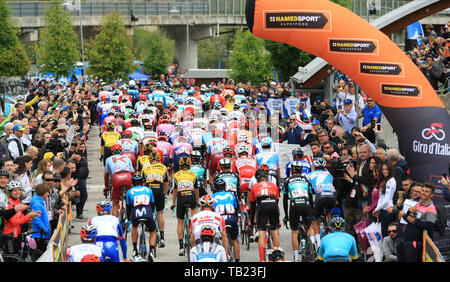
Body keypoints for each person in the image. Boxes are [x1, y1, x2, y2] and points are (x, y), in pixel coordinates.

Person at [282, 161, 314, 262]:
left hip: (294, 206)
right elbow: (310, 197)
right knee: (310, 227)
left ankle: (296, 258)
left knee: (294, 232)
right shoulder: (306, 179)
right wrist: (312, 211)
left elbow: (284, 200)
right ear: (301, 170)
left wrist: (286, 216)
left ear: (291, 170)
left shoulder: (288, 180)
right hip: (306, 205)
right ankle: (313, 245)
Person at [397, 183, 437, 262]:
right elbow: (409, 219)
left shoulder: (431, 208)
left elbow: (429, 227)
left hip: (416, 243)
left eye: (426, 191)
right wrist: (408, 212)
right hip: (406, 240)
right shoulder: (418, 204)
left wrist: (414, 221)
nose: (423, 193)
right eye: (422, 190)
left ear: (431, 195)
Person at [250, 167, 280, 262]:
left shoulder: (255, 187)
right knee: (274, 231)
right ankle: (277, 257)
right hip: (273, 206)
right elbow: (277, 202)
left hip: (261, 207)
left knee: (262, 232)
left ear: (257, 179)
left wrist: (251, 222)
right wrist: (277, 220)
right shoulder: (273, 185)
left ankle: (262, 260)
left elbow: (253, 207)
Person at [172, 156, 200, 256]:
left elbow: (175, 190)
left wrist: (173, 203)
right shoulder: (193, 174)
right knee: (194, 220)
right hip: (191, 197)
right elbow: (196, 190)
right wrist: (197, 201)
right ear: (189, 165)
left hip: (181, 197)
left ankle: (180, 247)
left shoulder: (176, 175)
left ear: (180, 165)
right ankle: (195, 243)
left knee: (180, 222)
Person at [140, 151, 168, 248]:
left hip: (149, 189)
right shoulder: (163, 168)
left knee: (149, 211)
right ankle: (162, 237)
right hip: (159, 189)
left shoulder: (145, 168)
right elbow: (166, 183)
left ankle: (150, 227)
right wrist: (164, 193)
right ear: (159, 159)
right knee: (160, 212)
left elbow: (143, 184)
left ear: (150, 160)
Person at [126, 175, 157, 262]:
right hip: (147, 211)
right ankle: (151, 250)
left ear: (132, 184)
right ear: (143, 183)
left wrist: (129, 219)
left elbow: (128, 207)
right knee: (153, 231)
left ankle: (135, 248)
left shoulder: (129, 191)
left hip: (135, 212)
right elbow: (152, 204)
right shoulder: (148, 190)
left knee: (134, 227)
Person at [308, 157, 336, 248]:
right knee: (328, 213)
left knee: (315, 219)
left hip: (320, 195)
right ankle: (330, 230)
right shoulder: (329, 174)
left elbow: (309, 188)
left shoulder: (311, 174)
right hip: (332, 196)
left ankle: (319, 245)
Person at [212, 178, 240, 262]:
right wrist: (237, 220)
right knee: (235, 240)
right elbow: (236, 208)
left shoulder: (213, 197)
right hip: (231, 218)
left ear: (215, 188)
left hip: (219, 219)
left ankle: (224, 257)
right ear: (225, 187)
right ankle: (237, 260)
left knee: (217, 238)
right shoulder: (231, 195)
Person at [104, 144, 134, 217]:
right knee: (130, 201)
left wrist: (106, 186)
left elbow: (106, 175)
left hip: (117, 178)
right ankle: (130, 220)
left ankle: (115, 223)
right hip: (128, 176)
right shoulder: (127, 158)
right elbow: (133, 173)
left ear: (112, 152)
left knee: (115, 203)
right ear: (121, 151)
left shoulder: (108, 159)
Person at [372, 162, 397, 237]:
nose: (384, 171)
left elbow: (386, 200)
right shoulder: (386, 180)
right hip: (383, 210)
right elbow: (381, 198)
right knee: (383, 233)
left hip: (387, 211)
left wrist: (376, 209)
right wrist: (378, 209)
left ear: (390, 170)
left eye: (386, 169)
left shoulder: (390, 181)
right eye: (383, 169)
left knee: (386, 235)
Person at [30, 183, 53, 253]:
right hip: (40, 234)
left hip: (42, 234)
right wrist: (45, 229)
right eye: (47, 192)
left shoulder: (40, 202)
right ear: (42, 192)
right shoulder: (37, 204)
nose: (48, 194)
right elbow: (36, 220)